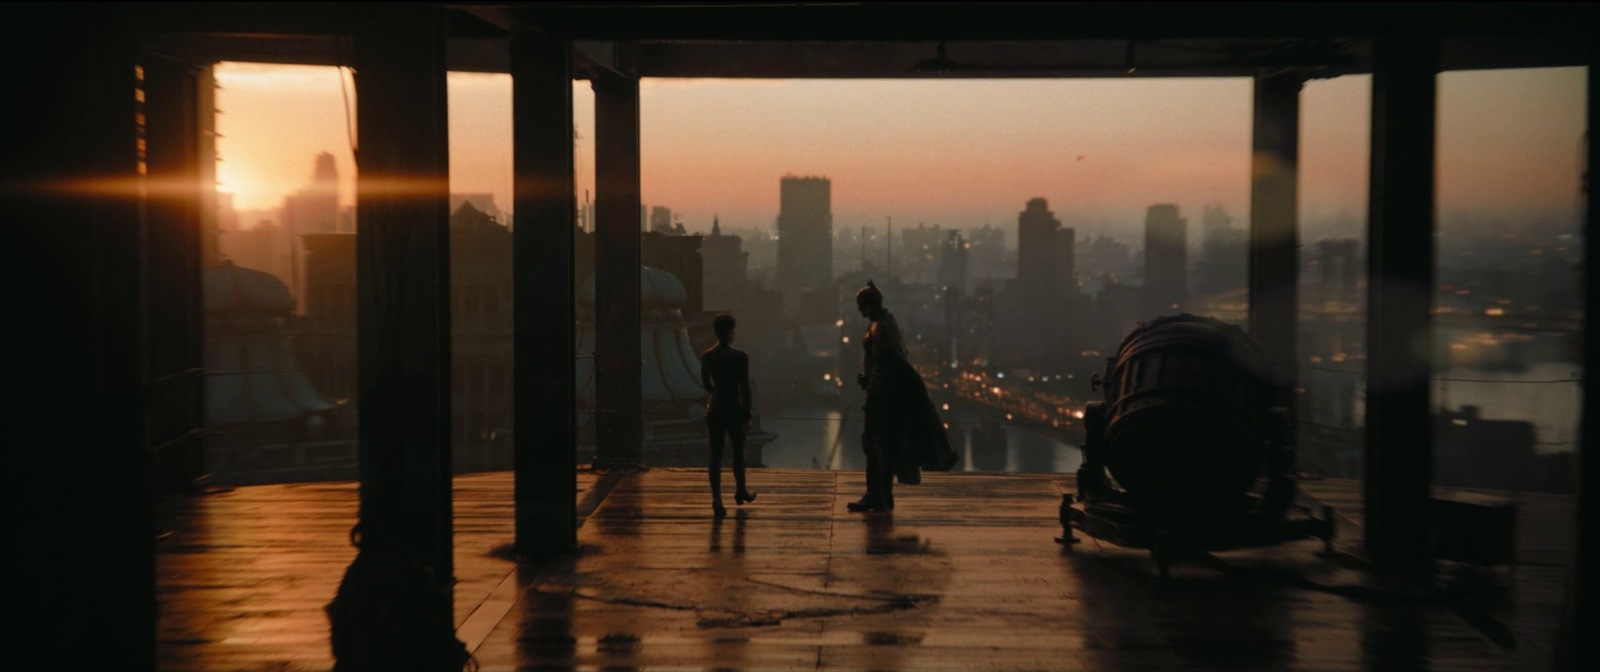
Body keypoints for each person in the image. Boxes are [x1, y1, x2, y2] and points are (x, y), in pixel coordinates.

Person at [850, 280, 959, 512]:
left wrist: (873, 390)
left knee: (872, 442)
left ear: (871, 305)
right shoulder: (888, 323)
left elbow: (887, 364)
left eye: (862, 305)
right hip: (888, 393)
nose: (859, 310)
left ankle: (874, 494)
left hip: (882, 395)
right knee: (886, 445)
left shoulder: (880, 328)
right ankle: (883, 495)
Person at [700, 313, 757, 518]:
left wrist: (717, 393)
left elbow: (706, 384)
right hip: (734, 408)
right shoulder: (740, 356)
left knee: (715, 454)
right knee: (738, 452)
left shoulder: (707, 356)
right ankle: (740, 490)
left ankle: (717, 498)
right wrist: (748, 412)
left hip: (715, 408)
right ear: (730, 331)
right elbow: (745, 387)